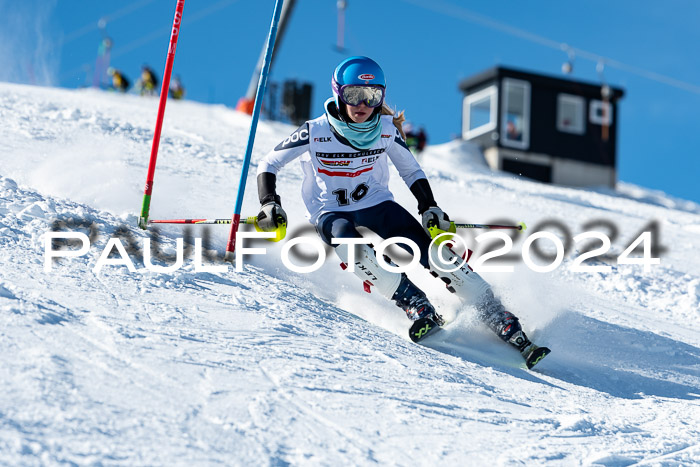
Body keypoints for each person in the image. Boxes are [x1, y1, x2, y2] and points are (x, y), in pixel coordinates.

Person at [255, 56, 549, 367]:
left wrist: (429, 206)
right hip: (331, 211)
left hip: (376, 204)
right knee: (351, 248)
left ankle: (497, 315)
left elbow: (411, 170)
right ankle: (415, 304)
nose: (363, 104)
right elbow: (268, 163)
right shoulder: (315, 130)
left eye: (373, 96)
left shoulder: (385, 130)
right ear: (339, 93)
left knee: (433, 252)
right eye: (354, 95)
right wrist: (269, 202)